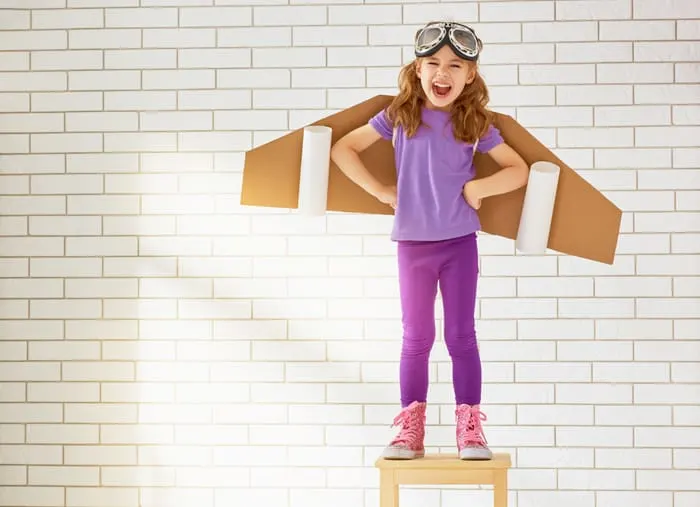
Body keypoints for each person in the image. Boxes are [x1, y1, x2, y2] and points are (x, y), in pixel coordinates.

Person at [330, 21, 529, 461]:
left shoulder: (473, 123)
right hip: (413, 245)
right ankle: (410, 429)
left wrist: (480, 189)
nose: (443, 73)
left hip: (459, 243)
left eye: (455, 66)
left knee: (461, 336)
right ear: (418, 70)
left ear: (470, 75)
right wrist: (382, 192)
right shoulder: (400, 116)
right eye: (434, 64)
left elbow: (518, 170)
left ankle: (470, 430)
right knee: (416, 338)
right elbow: (343, 148)